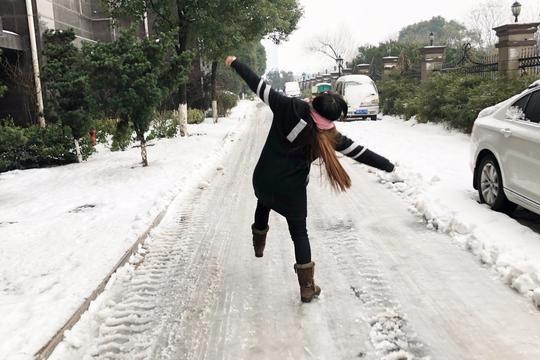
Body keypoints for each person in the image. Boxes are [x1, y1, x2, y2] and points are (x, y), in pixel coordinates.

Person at [226, 56, 395, 303]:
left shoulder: (287, 105)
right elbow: (361, 153)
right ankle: (307, 288)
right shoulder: (330, 137)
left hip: (263, 179)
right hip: (292, 193)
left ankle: (258, 245)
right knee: (299, 235)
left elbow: (257, 84)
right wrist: (387, 165)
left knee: (263, 201)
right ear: (333, 118)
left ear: (313, 102)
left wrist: (235, 62)